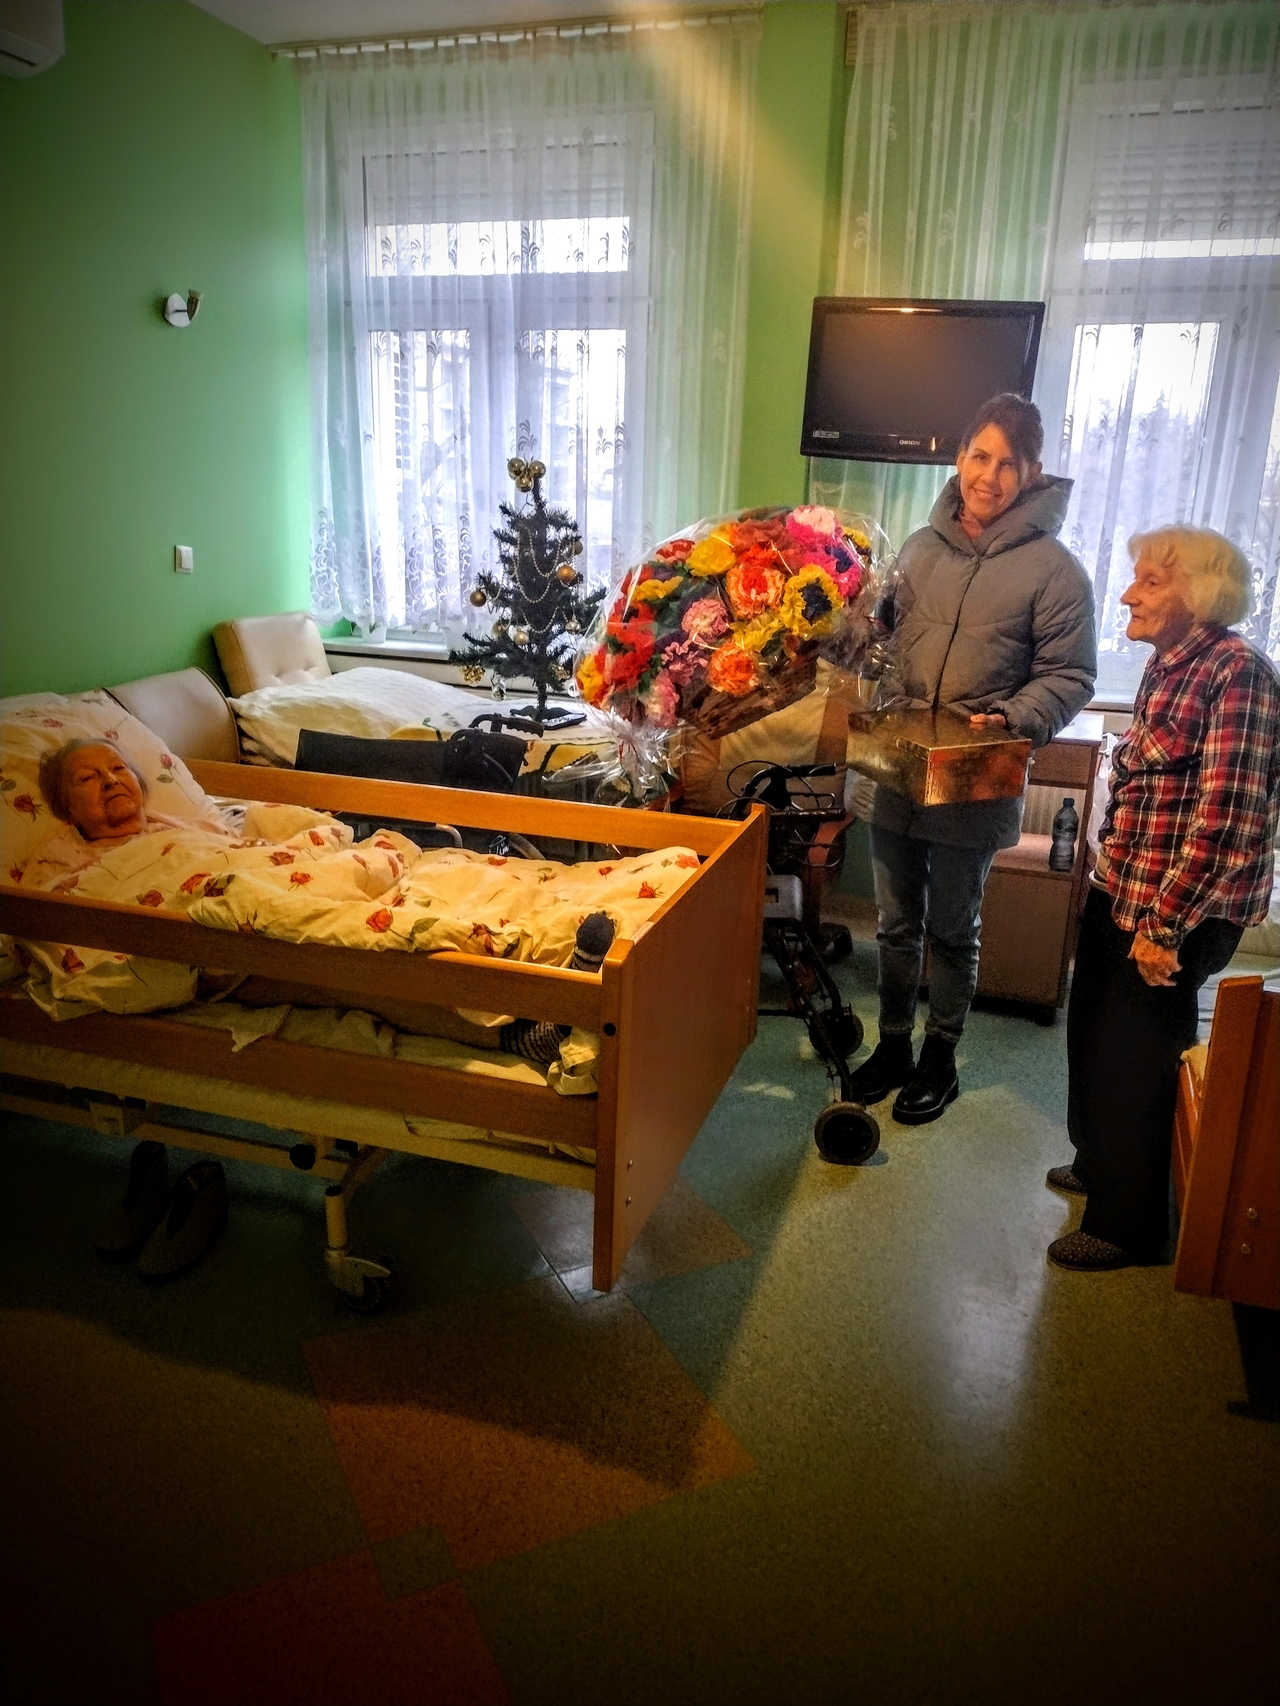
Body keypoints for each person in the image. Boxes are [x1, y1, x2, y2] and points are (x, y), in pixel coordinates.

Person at [848, 393, 1097, 1124]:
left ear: (1032, 473)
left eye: (1007, 464)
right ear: (959, 457)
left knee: (954, 927)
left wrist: (1016, 717)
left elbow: (1071, 675)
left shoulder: (1056, 571)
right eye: (979, 456)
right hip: (897, 766)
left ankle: (941, 1057)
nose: (989, 475)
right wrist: (850, 625)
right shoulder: (918, 548)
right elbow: (881, 635)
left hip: (977, 773)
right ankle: (894, 1044)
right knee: (894, 924)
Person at [1047, 527, 1280, 1271]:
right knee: (1092, 1031)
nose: (1128, 595)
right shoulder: (1168, 663)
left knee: (1137, 1056)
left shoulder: (1238, 674)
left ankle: (1128, 1226)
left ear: (1200, 595)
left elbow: (1229, 820)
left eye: (1150, 582)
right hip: (1123, 887)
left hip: (1178, 910)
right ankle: (1099, 1160)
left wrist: (1165, 927)